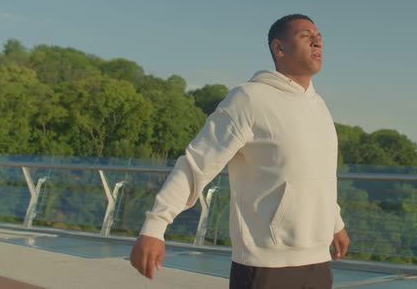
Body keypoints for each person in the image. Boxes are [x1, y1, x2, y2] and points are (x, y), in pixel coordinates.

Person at [130, 14, 350, 289]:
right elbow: (196, 164)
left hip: (318, 262)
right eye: (306, 36)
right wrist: (155, 225)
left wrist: (334, 223)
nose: (317, 41)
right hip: (265, 265)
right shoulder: (248, 99)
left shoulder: (319, 106)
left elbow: (320, 174)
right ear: (279, 49)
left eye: (319, 37)